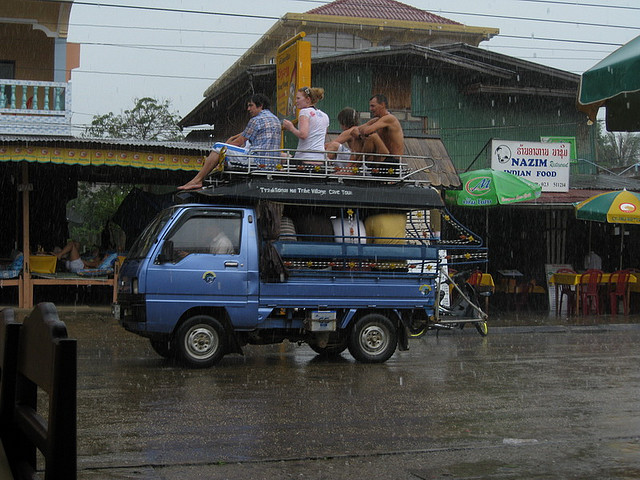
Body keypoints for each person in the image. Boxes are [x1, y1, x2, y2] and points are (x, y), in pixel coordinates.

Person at [178, 93, 281, 190]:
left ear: (260, 105)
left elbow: (238, 142)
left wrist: (225, 145)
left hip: (255, 161)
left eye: (251, 105)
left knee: (218, 147)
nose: (248, 109)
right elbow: (245, 135)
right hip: (272, 164)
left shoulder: (256, 120)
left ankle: (197, 180)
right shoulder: (275, 119)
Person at [325, 107, 389, 174]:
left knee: (334, 146)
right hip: (362, 160)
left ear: (343, 122)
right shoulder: (359, 129)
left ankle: (322, 166)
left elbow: (333, 144)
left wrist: (319, 147)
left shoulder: (349, 132)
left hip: (356, 159)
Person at [281, 86, 329, 165]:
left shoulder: (304, 112)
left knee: (279, 156)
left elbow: (303, 135)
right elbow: (323, 137)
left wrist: (291, 127)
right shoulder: (325, 116)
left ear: (308, 100)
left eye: (298, 98)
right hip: (321, 159)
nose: (296, 101)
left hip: (304, 158)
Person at [357, 94, 405, 169]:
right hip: (381, 160)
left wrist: (362, 133)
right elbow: (356, 130)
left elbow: (366, 131)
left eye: (373, 106)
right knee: (357, 137)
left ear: (382, 105)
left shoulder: (389, 118)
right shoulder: (377, 120)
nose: (370, 109)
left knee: (373, 137)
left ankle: (357, 165)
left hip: (393, 162)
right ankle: (354, 163)